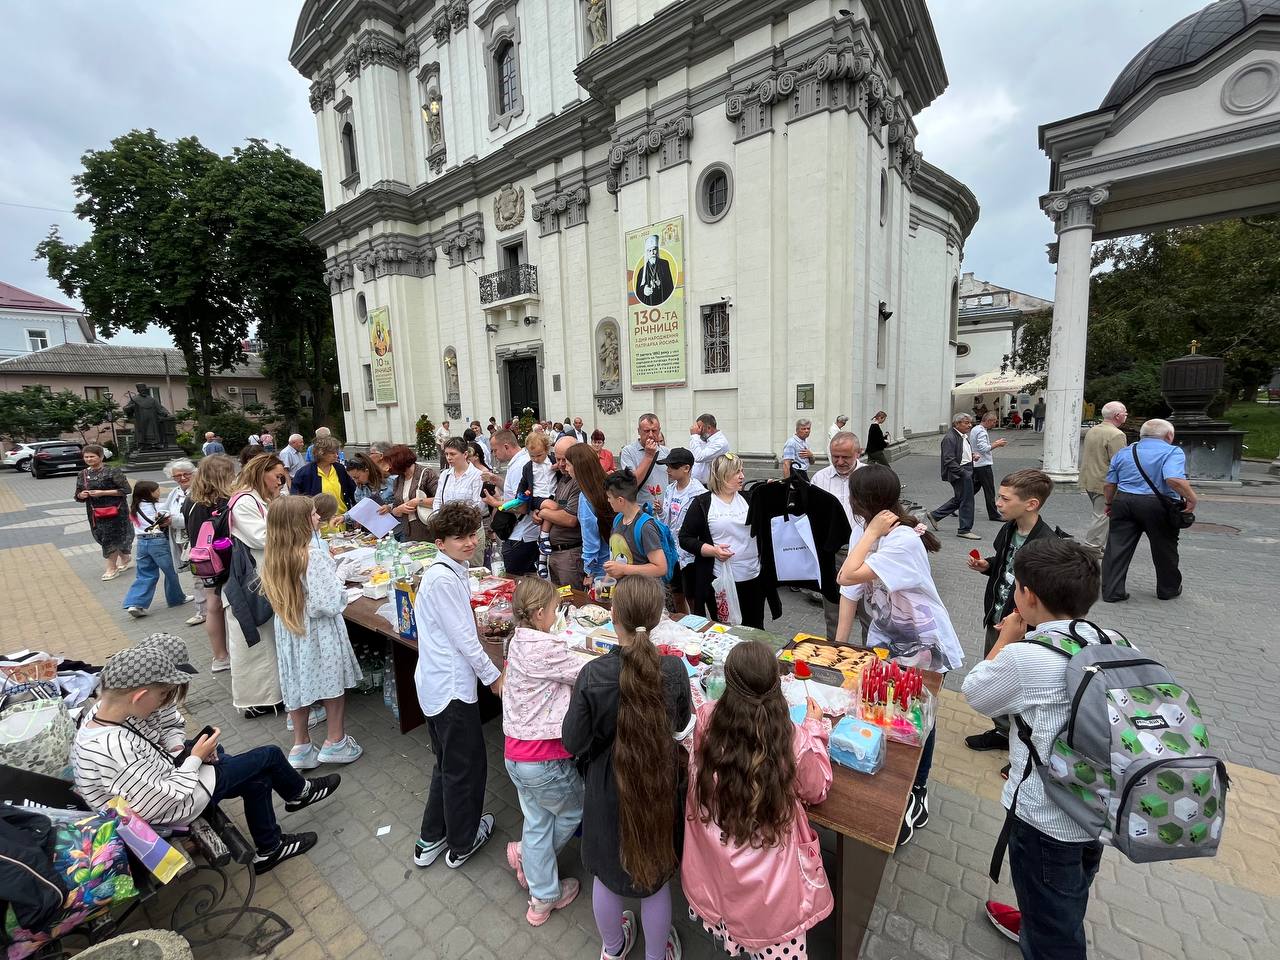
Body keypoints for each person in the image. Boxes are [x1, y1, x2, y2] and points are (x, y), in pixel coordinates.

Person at [72, 642, 340, 876]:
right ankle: (296, 798)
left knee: (255, 776)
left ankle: (271, 848)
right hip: (172, 809)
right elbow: (160, 801)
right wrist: (194, 759)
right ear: (140, 695)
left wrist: (190, 755)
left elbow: (151, 763)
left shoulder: (102, 715)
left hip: (165, 788)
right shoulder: (113, 746)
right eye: (162, 696)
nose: (163, 703)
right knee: (267, 756)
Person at [961, 537, 1108, 956]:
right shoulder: (1109, 639)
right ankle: (1038, 920)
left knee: (1054, 932)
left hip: (1047, 815)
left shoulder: (1027, 657)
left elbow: (976, 693)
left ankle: (1044, 934)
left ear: (1026, 595)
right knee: (1071, 886)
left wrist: (1006, 637)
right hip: (1096, 803)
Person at [562, 576, 690, 960]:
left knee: (606, 874)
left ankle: (613, 949)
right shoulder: (673, 671)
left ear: (612, 614)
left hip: (605, 787)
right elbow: (681, 724)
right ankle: (655, 955)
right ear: (656, 619)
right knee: (654, 882)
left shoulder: (593, 675)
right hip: (657, 783)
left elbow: (573, 741)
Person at [835, 464, 962, 845]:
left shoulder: (901, 539)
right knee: (880, 711)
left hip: (920, 644)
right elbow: (850, 594)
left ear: (859, 501)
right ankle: (889, 782)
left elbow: (846, 575)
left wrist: (872, 531)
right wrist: (840, 649)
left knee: (916, 719)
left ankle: (916, 789)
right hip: (885, 638)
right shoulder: (866, 531)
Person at [682, 642, 833, 959]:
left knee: (739, 928)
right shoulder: (792, 738)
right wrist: (816, 728)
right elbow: (817, 789)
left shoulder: (707, 719)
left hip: (718, 870)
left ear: (729, 687)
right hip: (771, 891)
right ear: (777, 687)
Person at [412, 502, 503, 871]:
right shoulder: (443, 578)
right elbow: (466, 641)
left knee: (448, 764)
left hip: (436, 684)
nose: (469, 542)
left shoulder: (451, 571)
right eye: (459, 537)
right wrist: (494, 677)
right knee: (465, 767)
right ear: (439, 542)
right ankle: (462, 841)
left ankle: (431, 836)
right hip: (449, 689)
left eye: (472, 534)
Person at [501, 577, 588, 925]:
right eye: (555, 609)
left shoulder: (517, 640)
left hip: (516, 754)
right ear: (539, 614)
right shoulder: (546, 649)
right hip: (544, 758)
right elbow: (585, 672)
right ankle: (541, 892)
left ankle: (533, 865)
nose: (558, 614)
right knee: (574, 809)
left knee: (538, 818)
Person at [260, 495, 364, 769]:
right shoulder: (311, 556)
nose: (318, 517)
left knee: (296, 683)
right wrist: (339, 577)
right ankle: (335, 740)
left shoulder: (274, 556)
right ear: (300, 522)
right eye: (314, 514)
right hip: (318, 631)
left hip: (290, 629)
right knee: (332, 683)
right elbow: (327, 603)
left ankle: (301, 744)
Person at [964, 468, 1057, 754]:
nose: (998, 503)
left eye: (1005, 499)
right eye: (999, 497)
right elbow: (1005, 563)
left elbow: (1043, 593)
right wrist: (988, 566)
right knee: (996, 677)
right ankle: (1003, 731)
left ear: (1031, 504)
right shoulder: (1010, 528)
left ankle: (1021, 743)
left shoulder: (1047, 544)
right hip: (997, 617)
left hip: (1021, 625)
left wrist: (1021, 619)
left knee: (1017, 684)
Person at [1101, 418, 1196, 603]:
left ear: (1142, 435)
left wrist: (1110, 503)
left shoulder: (1124, 452)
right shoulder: (1173, 451)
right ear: (1169, 435)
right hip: (1157, 505)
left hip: (1124, 501)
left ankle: (1112, 591)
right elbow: (1173, 479)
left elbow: (1110, 484)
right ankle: (1168, 589)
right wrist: (1192, 497)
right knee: (1164, 548)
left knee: (1116, 548)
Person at [224, 454, 288, 720]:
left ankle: (273, 696)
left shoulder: (259, 499)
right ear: (262, 473)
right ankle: (256, 700)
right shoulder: (244, 501)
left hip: (263, 577)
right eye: (277, 476)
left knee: (268, 641)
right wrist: (293, 527)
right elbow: (262, 537)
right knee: (255, 642)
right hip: (250, 582)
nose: (280, 481)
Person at [679, 453, 772, 629]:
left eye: (742, 471)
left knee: (755, 627)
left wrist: (773, 493)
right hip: (720, 579)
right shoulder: (703, 503)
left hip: (752, 576)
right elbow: (685, 538)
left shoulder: (750, 499)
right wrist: (712, 550)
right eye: (737, 472)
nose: (742, 476)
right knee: (725, 628)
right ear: (722, 474)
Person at [184, 454, 236, 672]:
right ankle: (234, 652)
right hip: (223, 558)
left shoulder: (191, 500)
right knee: (229, 606)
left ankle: (219, 656)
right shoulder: (222, 501)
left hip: (202, 560)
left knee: (212, 607)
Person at [812, 431, 864, 639]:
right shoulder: (820, 478)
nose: (839, 461)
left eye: (846, 457)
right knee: (833, 614)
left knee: (870, 615)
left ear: (858, 453)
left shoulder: (870, 477)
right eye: (835, 456)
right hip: (832, 555)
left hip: (865, 555)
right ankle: (834, 657)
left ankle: (870, 662)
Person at [122, 480, 193, 619]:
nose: (159, 492)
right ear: (150, 493)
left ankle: (135, 603)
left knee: (145, 573)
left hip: (142, 542)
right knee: (171, 571)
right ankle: (176, 598)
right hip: (158, 542)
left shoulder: (135, 507)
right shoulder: (158, 507)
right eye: (157, 490)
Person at [656, 448, 705, 614]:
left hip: (689, 555)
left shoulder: (700, 494)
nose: (668, 469)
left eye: (673, 466)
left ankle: (697, 626)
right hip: (672, 551)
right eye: (668, 466)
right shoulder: (670, 489)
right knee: (677, 593)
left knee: (692, 596)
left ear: (686, 468)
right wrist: (660, 512)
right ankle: (683, 624)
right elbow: (666, 521)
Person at [75, 444, 133, 582]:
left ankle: (111, 568)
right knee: (101, 537)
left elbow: (126, 490)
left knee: (110, 539)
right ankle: (125, 557)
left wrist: (103, 492)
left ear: (100, 457)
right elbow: (77, 494)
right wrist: (81, 495)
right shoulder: (83, 474)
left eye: (92, 456)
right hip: (95, 512)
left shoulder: (112, 471)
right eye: (86, 456)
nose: (89, 459)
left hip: (116, 511)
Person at [533, 436, 584, 587]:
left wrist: (543, 513)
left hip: (569, 554)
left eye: (565, 460)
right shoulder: (563, 478)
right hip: (556, 554)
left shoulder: (577, 481)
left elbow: (570, 519)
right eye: (558, 459)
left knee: (573, 602)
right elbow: (558, 507)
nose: (561, 464)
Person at [603, 469, 670, 583]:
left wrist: (624, 569)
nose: (608, 501)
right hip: (622, 591)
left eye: (609, 497)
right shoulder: (618, 519)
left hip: (641, 594)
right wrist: (605, 583)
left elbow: (660, 568)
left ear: (620, 500)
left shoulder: (645, 527)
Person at [1079, 400, 1128, 552]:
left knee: (1101, 513)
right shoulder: (1116, 434)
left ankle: (1098, 544)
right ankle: (1092, 546)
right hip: (1104, 481)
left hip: (1089, 478)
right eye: (1125, 413)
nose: (1126, 415)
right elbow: (1120, 462)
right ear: (1118, 415)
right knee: (1102, 514)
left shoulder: (1093, 430)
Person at [160, 460, 204, 626]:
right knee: (196, 576)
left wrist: (173, 520)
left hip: (196, 541)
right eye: (178, 475)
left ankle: (203, 611)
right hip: (181, 540)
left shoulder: (199, 491)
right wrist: (162, 515)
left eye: (187, 474)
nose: (183, 478)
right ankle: (203, 609)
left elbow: (195, 518)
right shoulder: (175, 492)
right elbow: (165, 508)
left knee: (199, 577)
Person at [565, 441, 614, 588]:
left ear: (578, 467)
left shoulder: (585, 497)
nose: (566, 468)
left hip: (600, 567)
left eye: (568, 464)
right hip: (615, 560)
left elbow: (590, 539)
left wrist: (589, 572)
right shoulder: (606, 486)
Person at [928, 412, 981, 540]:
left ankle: (935, 515)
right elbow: (948, 460)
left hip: (965, 469)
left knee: (960, 498)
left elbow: (960, 453)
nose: (970, 425)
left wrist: (971, 456)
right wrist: (964, 473)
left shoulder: (961, 435)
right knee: (967, 501)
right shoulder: (950, 438)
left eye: (970, 422)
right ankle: (964, 529)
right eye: (966, 422)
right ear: (957, 424)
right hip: (960, 472)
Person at [437, 437, 488, 566]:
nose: (449, 458)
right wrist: (441, 520)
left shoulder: (477, 475)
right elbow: (438, 500)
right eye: (447, 454)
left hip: (470, 531)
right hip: (450, 532)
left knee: (473, 570)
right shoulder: (445, 475)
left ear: (465, 454)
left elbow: (479, 506)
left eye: (453, 454)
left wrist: (457, 519)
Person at [381, 444, 439, 543]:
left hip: (428, 529)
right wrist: (398, 509)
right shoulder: (398, 480)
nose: (388, 467)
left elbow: (441, 499)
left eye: (389, 463)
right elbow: (396, 507)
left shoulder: (426, 474)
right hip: (408, 532)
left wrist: (418, 501)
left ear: (398, 462)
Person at [291, 436, 356, 512]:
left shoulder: (340, 469)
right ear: (321, 453)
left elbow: (353, 491)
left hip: (342, 519)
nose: (336, 455)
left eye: (337, 452)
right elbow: (295, 499)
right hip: (319, 521)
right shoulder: (304, 473)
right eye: (332, 453)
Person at [619, 414, 668, 512]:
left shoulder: (666, 452)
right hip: (640, 511)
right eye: (646, 431)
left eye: (654, 431)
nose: (650, 434)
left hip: (662, 512)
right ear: (639, 431)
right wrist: (649, 456)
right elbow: (632, 483)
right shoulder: (628, 451)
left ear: (659, 430)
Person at [970, 412, 1009, 522]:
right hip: (983, 464)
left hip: (977, 464)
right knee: (989, 491)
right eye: (994, 421)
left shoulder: (975, 429)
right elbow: (983, 448)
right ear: (988, 421)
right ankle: (994, 514)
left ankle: (954, 504)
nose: (995, 424)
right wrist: (997, 444)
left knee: (972, 489)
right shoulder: (981, 431)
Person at [687, 414, 730, 485]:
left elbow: (699, 457)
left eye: (700, 428)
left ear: (709, 428)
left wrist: (694, 436)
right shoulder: (705, 439)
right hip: (697, 484)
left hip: (711, 486)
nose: (698, 431)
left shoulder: (720, 443)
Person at [634, 233, 675, 307]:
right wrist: (644, 290)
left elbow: (670, 285)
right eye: (650, 250)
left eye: (654, 249)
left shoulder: (664, 264)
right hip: (650, 303)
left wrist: (660, 284)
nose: (652, 252)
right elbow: (637, 291)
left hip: (663, 301)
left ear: (657, 250)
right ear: (647, 252)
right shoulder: (642, 270)